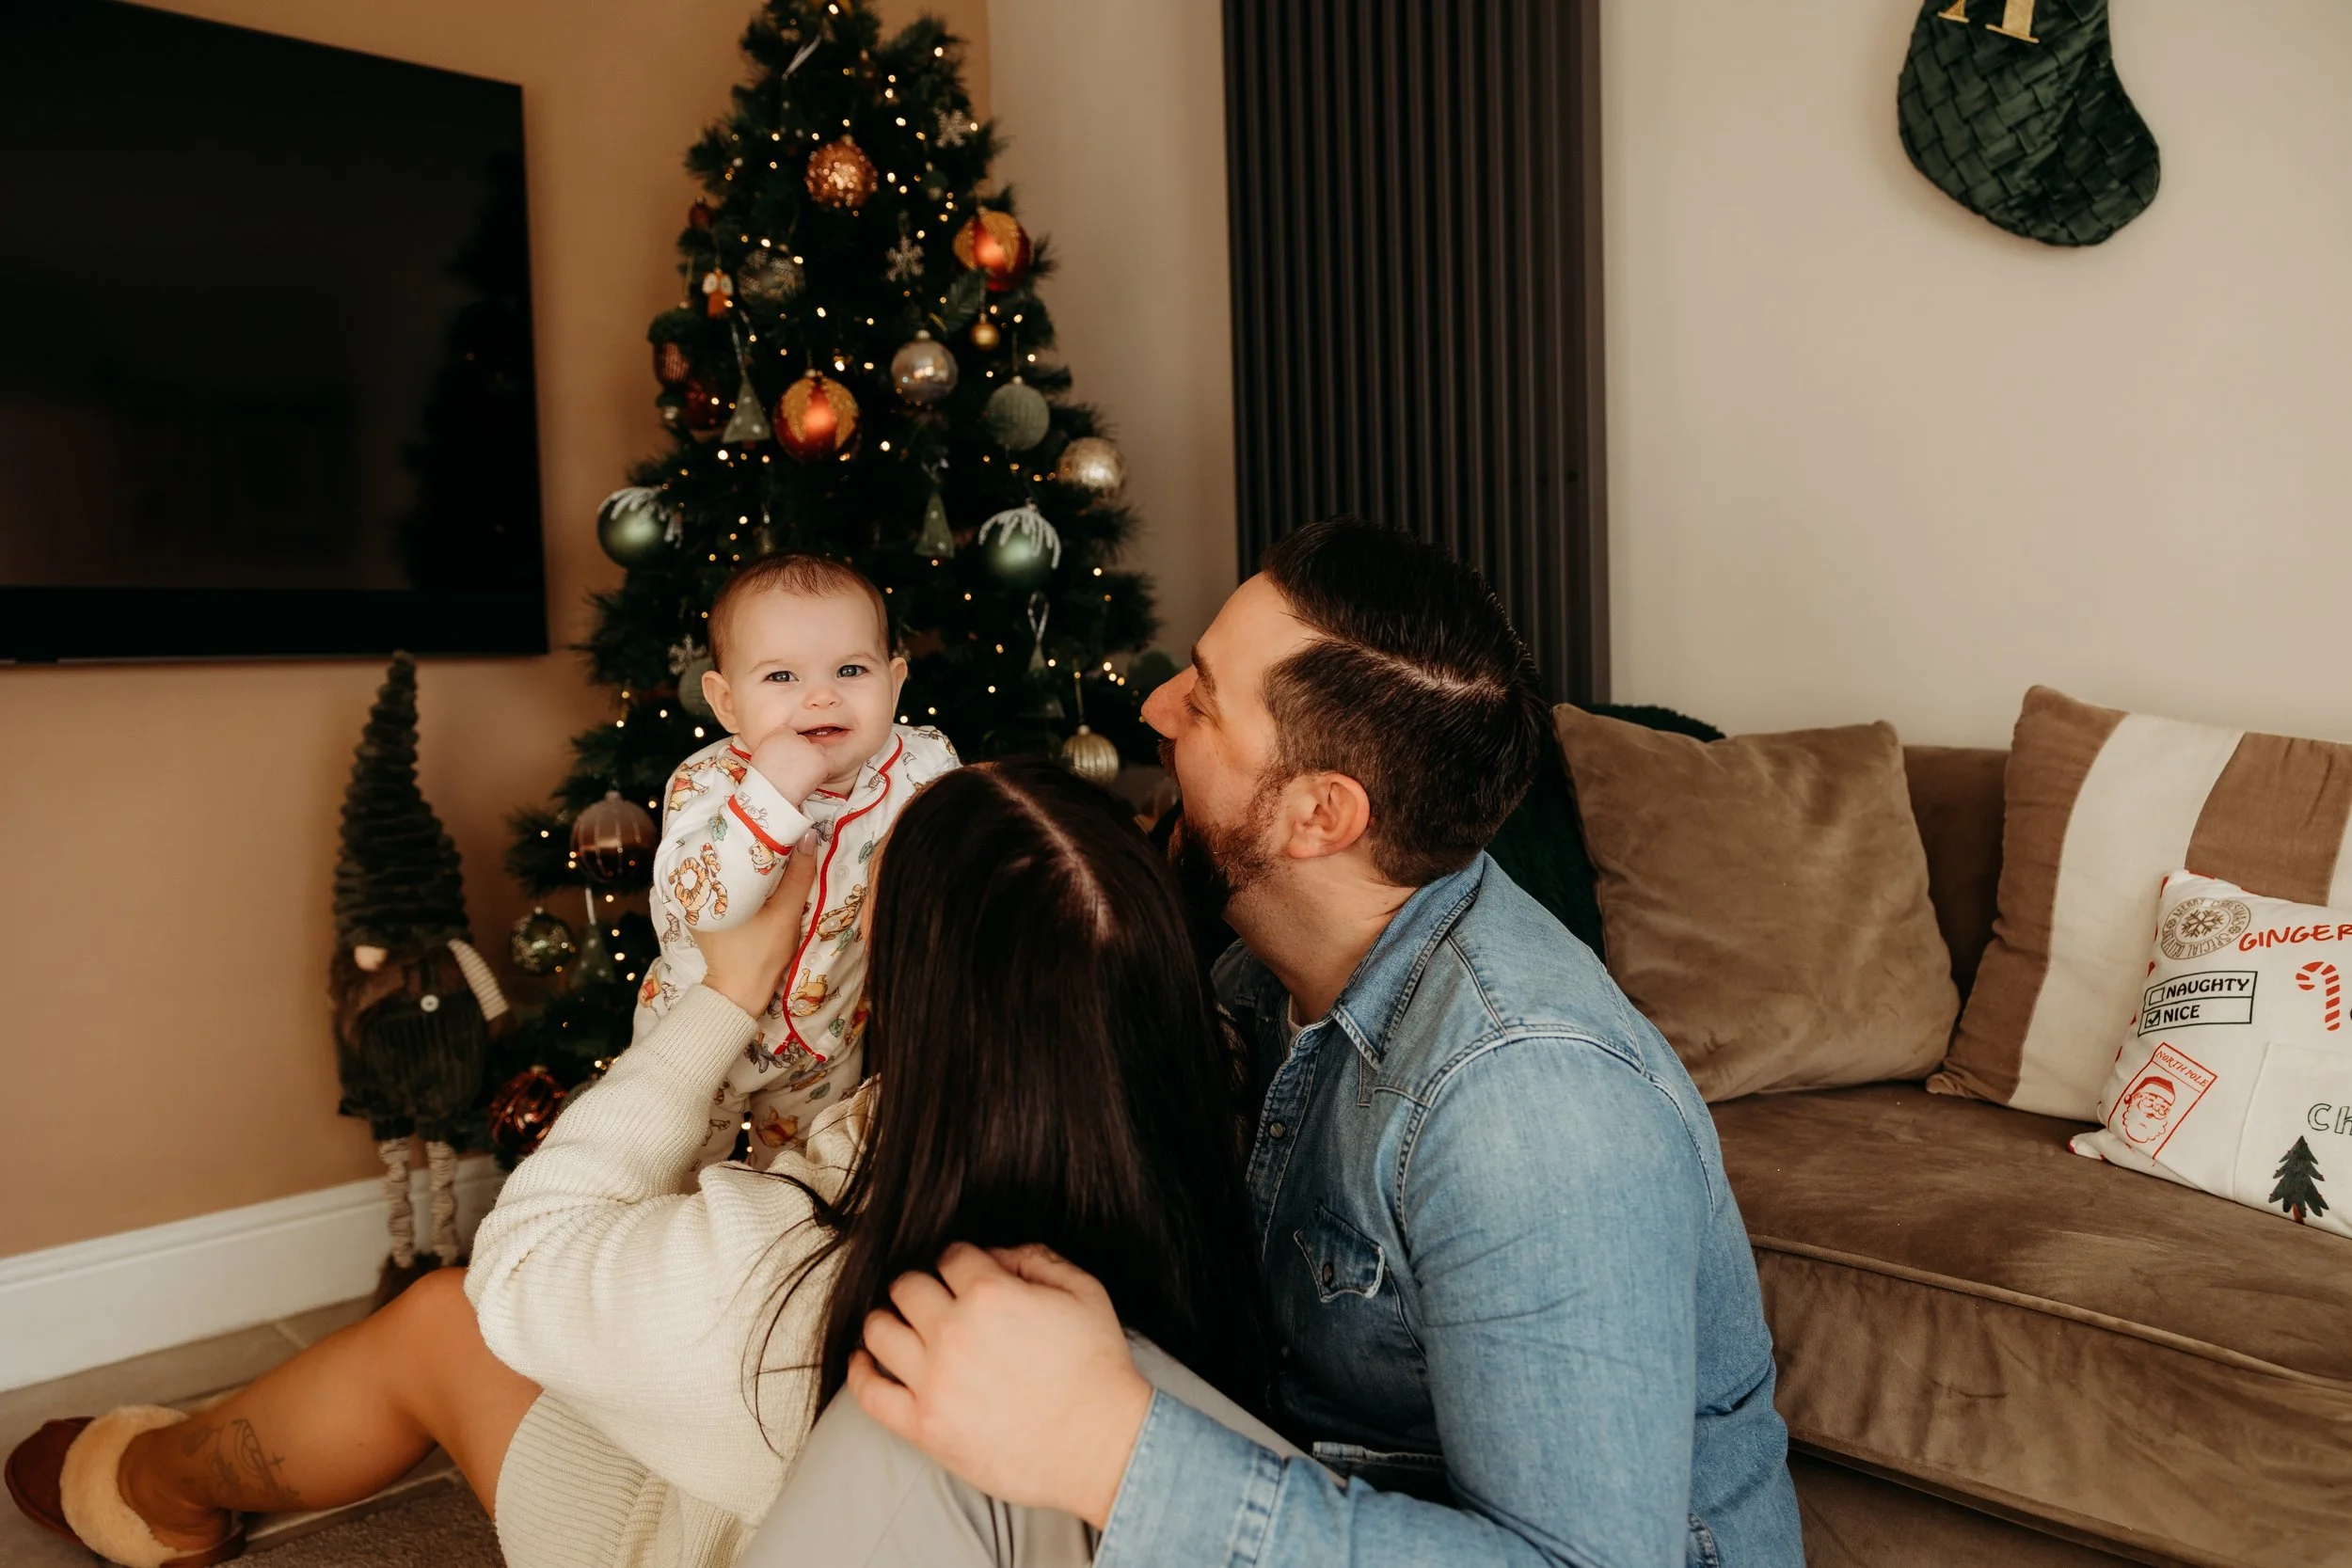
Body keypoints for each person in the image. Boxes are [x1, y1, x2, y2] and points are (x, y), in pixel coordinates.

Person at [807, 517, 1807, 1566]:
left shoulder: (1528, 1105)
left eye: (1200, 700)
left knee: (916, 1439)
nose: (1153, 708)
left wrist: (1113, 1449)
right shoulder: (1261, 963)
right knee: (936, 1385)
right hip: (1319, 1491)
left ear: (1318, 814)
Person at [5, 762, 1273, 1568]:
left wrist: (717, 1003)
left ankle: (151, 1483)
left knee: (449, 1317)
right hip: (800, 1469)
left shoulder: (789, 1276)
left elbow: (524, 1260)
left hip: (712, 1532)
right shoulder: (1208, 1156)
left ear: (911, 1000)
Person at [640, 553, 958, 1167]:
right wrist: (770, 791)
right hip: (698, 1037)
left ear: (894, 682)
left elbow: (962, 852)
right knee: (669, 1177)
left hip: (827, 1040)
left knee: (811, 1188)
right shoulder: (705, 783)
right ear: (727, 703)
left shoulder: (923, 765)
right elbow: (706, 903)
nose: (820, 696)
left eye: (849, 669)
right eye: (781, 677)